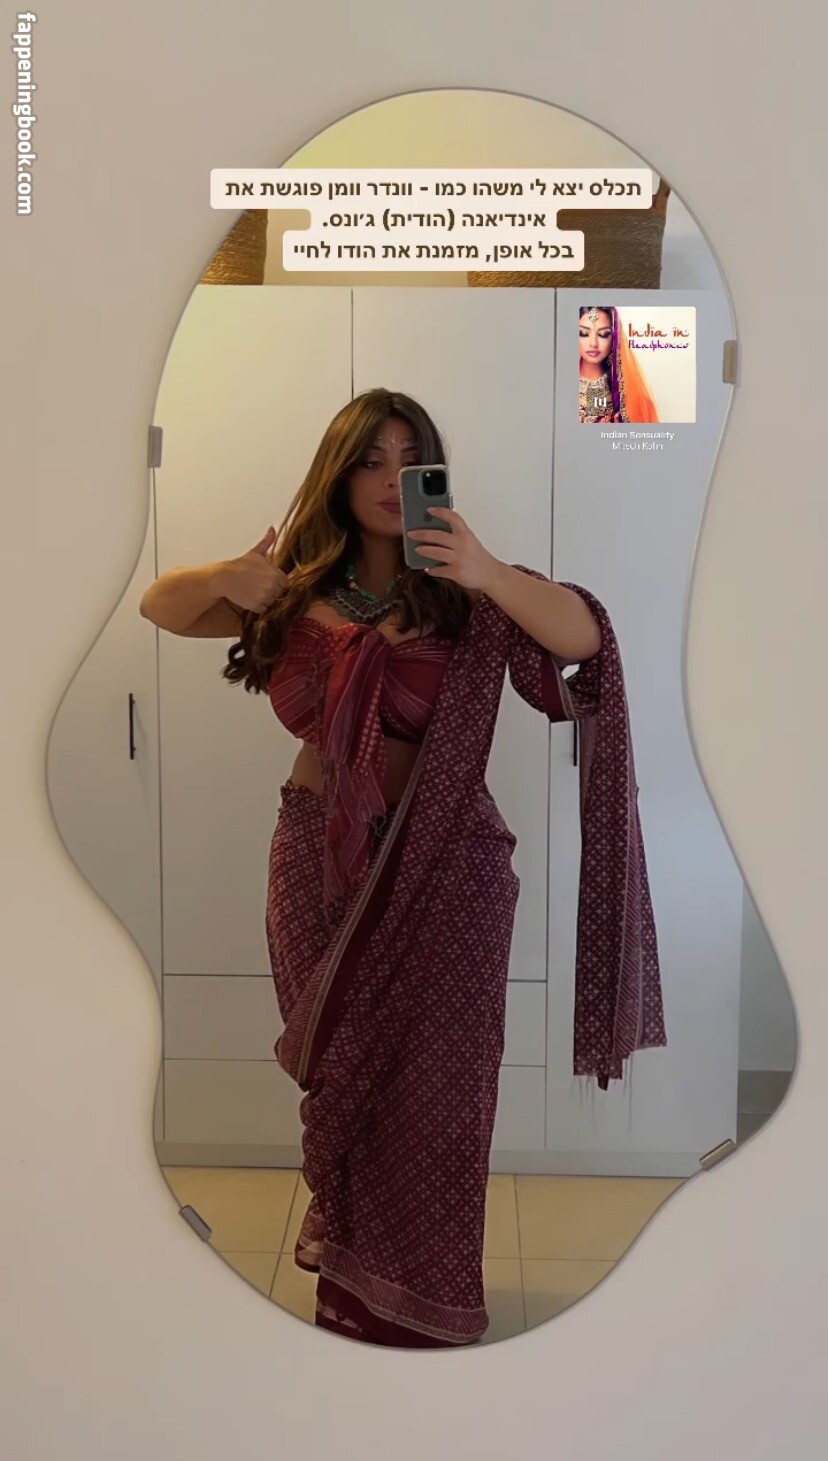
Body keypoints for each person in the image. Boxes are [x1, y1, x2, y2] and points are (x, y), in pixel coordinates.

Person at [139, 387, 666, 1349]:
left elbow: (586, 637)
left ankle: (426, 1309)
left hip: (448, 869)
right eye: (369, 460)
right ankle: (352, 1298)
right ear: (336, 476)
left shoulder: (465, 592)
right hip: (316, 859)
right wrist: (228, 574)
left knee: (438, 1100)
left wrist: (489, 570)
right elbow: (160, 605)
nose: (390, 479)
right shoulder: (291, 591)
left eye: (409, 459)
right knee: (344, 1076)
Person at [579, 305, 660, 423]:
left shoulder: (626, 389)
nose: (593, 343)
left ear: (615, 337)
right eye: (583, 333)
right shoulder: (558, 381)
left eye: (603, 334)